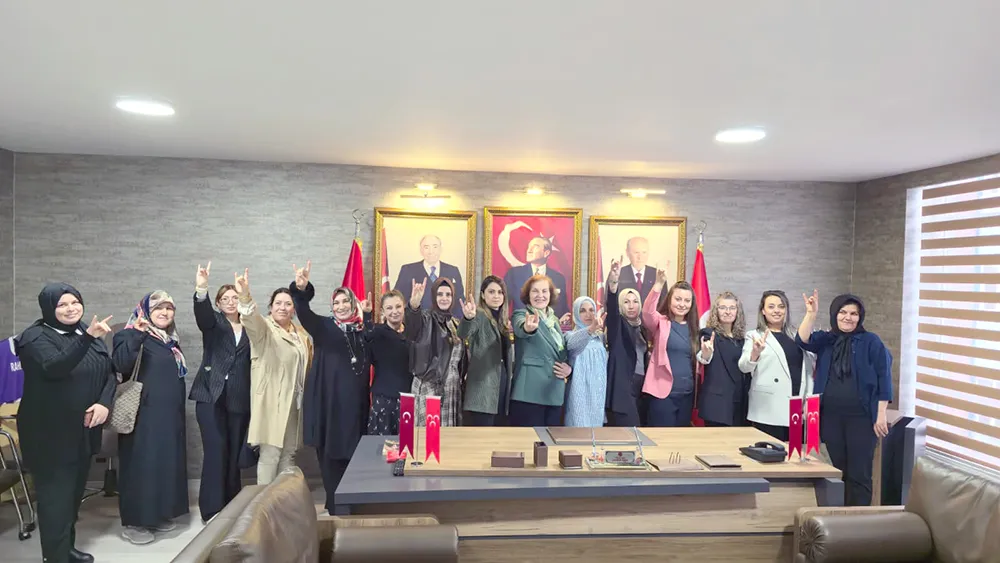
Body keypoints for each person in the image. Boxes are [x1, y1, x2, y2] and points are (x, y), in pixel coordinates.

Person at [15, 283, 115, 563]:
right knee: (55, 500)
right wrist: (88, 338)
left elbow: (109, 371)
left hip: (83, 430)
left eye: (75, 302)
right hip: (49, 433)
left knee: (72, 497)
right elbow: (54, 367)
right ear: (49, 308)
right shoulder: (34, 338)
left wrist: (104, 403)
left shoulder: (84, 330)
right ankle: (55, 557)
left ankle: (65, 549)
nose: (71, 309)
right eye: (62, 305)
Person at [288, 261, 371, 514]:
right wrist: (301, 290)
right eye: (336, 303)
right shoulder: (324, 327)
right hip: (329, 405)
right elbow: (304, 312)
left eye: (346, 301)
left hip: (355, 408)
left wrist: (367, 317)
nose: (341, 306)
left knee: (353, 455)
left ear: (354, 304)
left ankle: (352, 503)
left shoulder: (362, 331)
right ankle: (336, 507)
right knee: (331, 457)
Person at [798, 290, 892, 506]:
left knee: (860, 472)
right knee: (836, 470)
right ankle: (837, 516)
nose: (848, 317)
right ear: (835, 314)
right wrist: (811, 314)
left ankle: (858, 519)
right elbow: (802, 340)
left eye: (853, 313)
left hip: (862, 418)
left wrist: (881, 414)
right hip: (829, 417)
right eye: (843, 312)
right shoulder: (826, 339)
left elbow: (884, 377)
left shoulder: (871, 341)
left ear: (860, 317)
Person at [113, 291, 189, 545]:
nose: (165, 313)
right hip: (143, 415)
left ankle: (156, 515)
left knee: (162, 463)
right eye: (158, 308)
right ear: (145, 310)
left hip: (168, 415)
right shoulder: (129, 334)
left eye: (169, 308)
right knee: (141, 465)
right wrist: (137, 334)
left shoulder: (169, 341)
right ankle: (134, 522)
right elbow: (120, 365)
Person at [234, 269, 313, 484]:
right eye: (278, 303)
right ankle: (264, 502)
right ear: (270, 307)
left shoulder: (301, 334)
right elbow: (250, 319)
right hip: (271, 402)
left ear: (294, 309)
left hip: (295, 403)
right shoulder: (264, 328)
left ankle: (283, 500)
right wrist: (244, 295)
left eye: (288, 304)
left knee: (289, 454)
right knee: (270, 455)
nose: (282, 307)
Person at [189, 262, 252, 522]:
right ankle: (212, 510)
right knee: (216, 451)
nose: (230, 302)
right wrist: (201, 288)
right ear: (218, 303)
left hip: (239, 397)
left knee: (234, 453)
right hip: (210, 395)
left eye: (234, 297)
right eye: (224, 299)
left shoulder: (251, 326)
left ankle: (232, 506)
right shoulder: (213, 322)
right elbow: (202, 314)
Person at [738, 290, 814, 442]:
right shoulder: (754, 335)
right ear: (763, 311)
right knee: (769, 454)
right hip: (768, 408)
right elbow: (744, 366)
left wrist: (809, 400)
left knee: (795, 453)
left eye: (781, 306)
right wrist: (755, 353)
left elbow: (808, 371)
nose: (777, 310)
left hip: (797, 406)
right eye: (771, 306)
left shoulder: (798, 335)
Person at [509, 275, 572, 426]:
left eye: (544, 291)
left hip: (554, 391)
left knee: (550, 439)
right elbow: (521, 328)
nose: (540, 295)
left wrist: (568, 369)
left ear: (550, 295)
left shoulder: (554, 321)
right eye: (535, 291)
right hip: (529, 393)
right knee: (528, 439)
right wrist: (528, 328)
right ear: (528, 295)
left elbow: (560, 353)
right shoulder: (521, 314)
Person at [405, 277, 467, 427]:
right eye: (440, 294)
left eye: (448, 294)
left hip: (452, 387)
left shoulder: (455, 323)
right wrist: (414, 306)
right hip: (430, 386)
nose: (444, 298)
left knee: (448, 436)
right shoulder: (426, 319)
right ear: (433, 296)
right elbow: (412, 330)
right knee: (429, 436)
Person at [642, 275, 701, 427]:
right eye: (678, 299)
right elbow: (647, 312)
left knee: (680, 438)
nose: (682, 304)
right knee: (662, 438)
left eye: (687, 301)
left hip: (687, 395)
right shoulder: (661, 322)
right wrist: (659, 284)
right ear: (670, 300)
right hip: (663, 394)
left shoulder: (694, 328)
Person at [459, 276, 514, 426]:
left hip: (501, 384)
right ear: (483, 295)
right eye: (491, 292)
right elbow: (463, 333)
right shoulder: (479, 314)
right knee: (483, 434)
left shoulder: (502, 321)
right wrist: (468, 318)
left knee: (498, 433)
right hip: (482, 388)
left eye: (500, 292)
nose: (496, 296)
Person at [604, 257, 650, 427]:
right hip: (623, 390)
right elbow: (612, 309)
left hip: (641, 389)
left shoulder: (643, 328)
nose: (631, 306)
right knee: (632, 431)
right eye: (626, 302)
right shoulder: (617, 325)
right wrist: (613, 283)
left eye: (635, 301)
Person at [696, 292, 751, 427]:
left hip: (739, 403)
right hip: (717, 406)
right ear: (716, 311)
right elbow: (704, 357)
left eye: (732, 308)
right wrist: (706, 353)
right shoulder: (709, 334)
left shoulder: (741, 339)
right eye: (723, 308)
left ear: (738, 311)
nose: (727, 312)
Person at [365, 290, 412, 435]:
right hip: (383, 400)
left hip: (408, 399)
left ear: (404, 307)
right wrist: (366, 315)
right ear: (383, 312)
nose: (394, 311)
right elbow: (365, 337)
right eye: (389, 308)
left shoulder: (412, 333)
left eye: (398, 306)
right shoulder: (377, 333)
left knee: (407, 445)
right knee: (381, 446)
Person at [394, 235, 465, 316]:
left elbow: (459, 301)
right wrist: (412, 304)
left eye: (435, 247)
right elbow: (397, 298)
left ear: (441, 249)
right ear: (421, 250)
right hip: (417, 320)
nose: (431, 251)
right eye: (426, 247)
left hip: (446, 321)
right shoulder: (407, 270)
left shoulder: (453, 271)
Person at [564, 296, 608, 427]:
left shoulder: (600, 337)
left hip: (598, 394)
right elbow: (573, 344)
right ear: (576, 313)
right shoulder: (570, 336)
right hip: (579, 394)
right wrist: (591, 328)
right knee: (578, 430)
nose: (588, 314)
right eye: (582, 310)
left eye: (591, 310)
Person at [504, 236, 570, 318]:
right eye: (529, 246)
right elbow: (504, 303)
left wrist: (565, 318)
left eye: (535, 246)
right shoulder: (513, 274)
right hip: (521, 323)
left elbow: (563, 308)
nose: (529, 250)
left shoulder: (558, 278)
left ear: (546, 253)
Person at [617, 237, 662, 305]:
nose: (640, 257)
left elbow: (663, 304)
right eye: (636, 252)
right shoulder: (619, 274)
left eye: (644, 252)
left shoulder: (658, 275)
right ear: (627, 253)